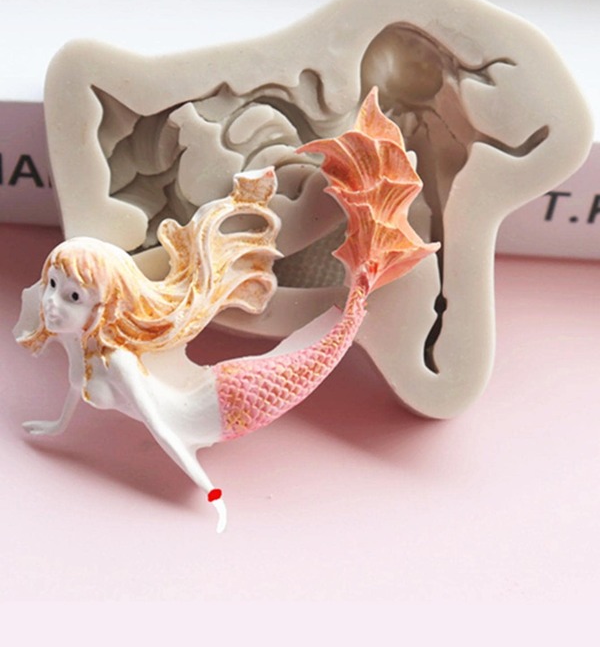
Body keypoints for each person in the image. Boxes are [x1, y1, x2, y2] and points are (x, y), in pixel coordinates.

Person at [15, 88, 438, 533]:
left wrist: (209, 492)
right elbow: (75, 389)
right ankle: (364, 281)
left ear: (107, 303)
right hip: (218, 398)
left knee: (333, 335)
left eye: (72, 296)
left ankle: (368, 266)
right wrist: (55, 427)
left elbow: (167, 433)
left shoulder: (118, 361)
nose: (51, 303)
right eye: (53, 286)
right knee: (336, 330)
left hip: (231, 401)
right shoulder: (88, 349)